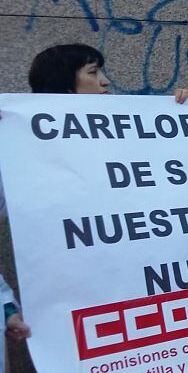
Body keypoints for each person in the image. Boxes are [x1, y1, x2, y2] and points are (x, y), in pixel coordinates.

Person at [0, 42, 109, 370]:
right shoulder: (16, 150)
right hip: (70, 302)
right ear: (64, 85)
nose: (104, 81)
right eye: (93, 72)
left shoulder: (124, 136)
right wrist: (6, 304)